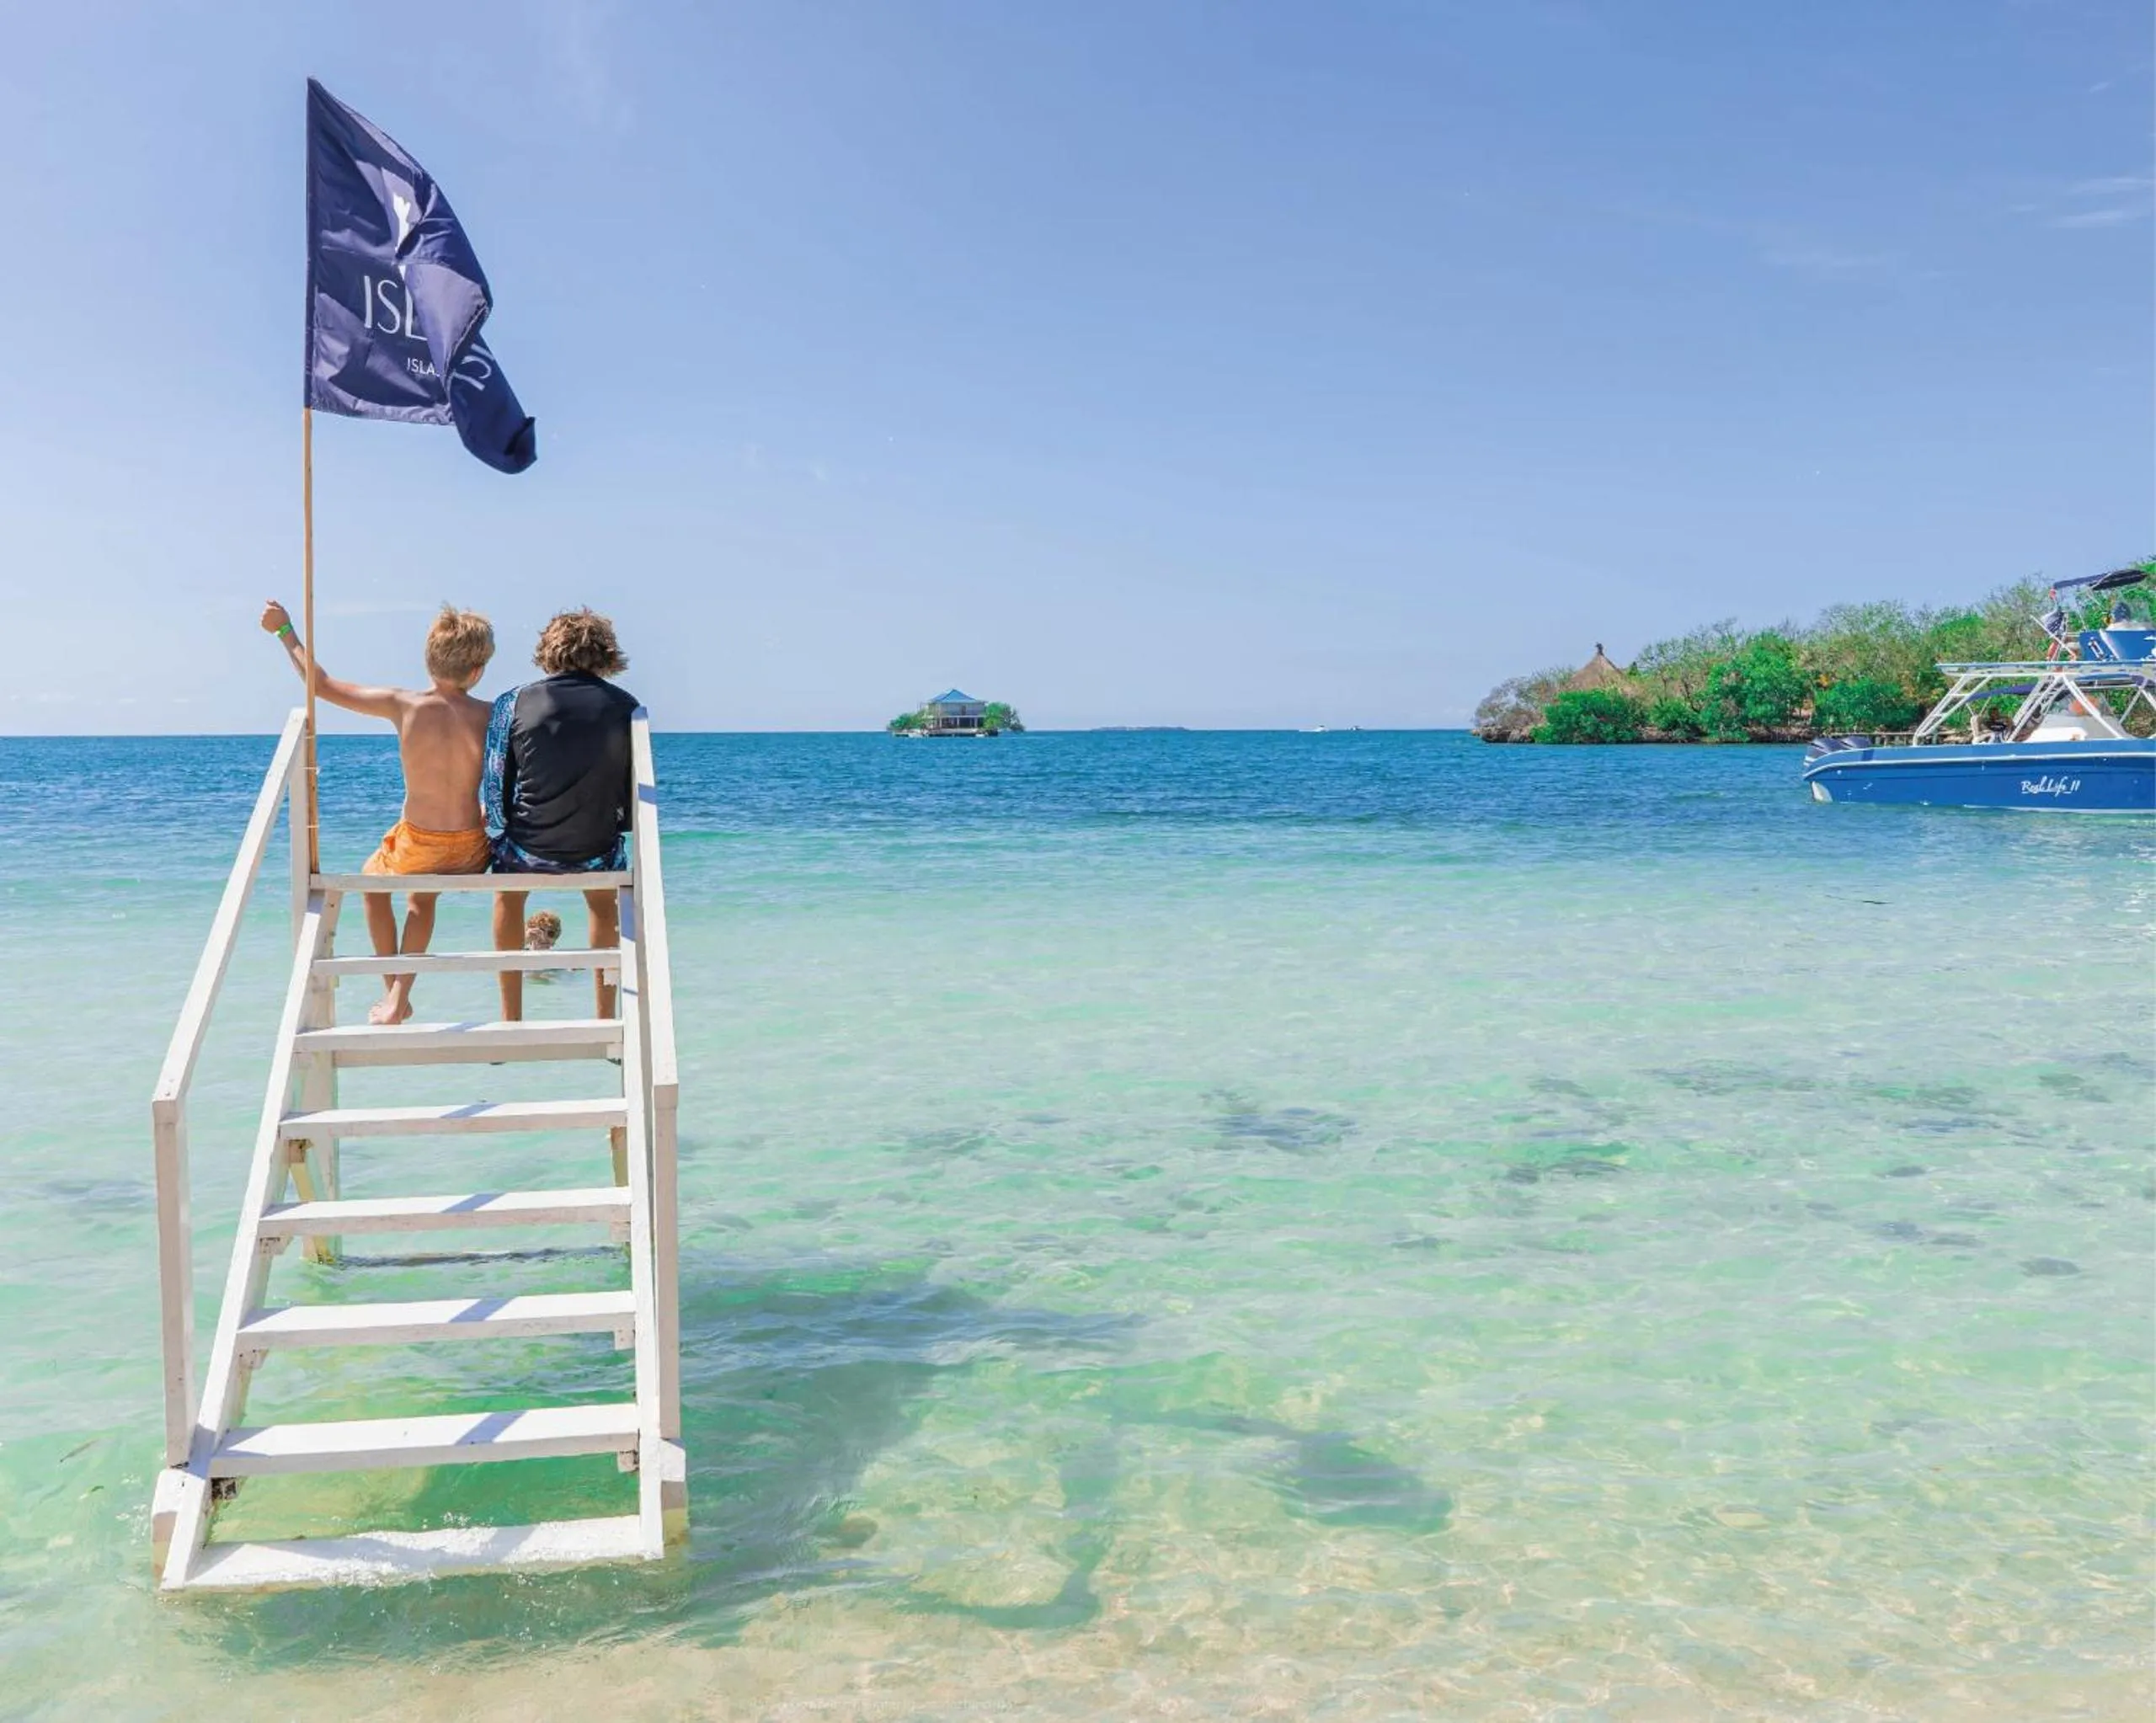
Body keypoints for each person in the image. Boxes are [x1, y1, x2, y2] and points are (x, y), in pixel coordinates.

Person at [259, 599, 495, 1024]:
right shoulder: (492, 714)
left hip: (420, 843)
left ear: (428, 660)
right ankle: (396, 998)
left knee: (375, 886)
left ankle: (395, 994)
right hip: (471, 847)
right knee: (420, 897)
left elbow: (321, 684)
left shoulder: (403, 704)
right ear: (477, 670)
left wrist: (285, 631)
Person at [484, 608, 638, 1022]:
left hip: (527, 847)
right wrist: (612, 826)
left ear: (548, 650)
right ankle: (605, 1016)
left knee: (507, 896)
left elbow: (495, 780)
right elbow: (630, 788)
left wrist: (497, 836)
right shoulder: (627, 707)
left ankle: (510, 1018)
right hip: (596, 847)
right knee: (603, 905)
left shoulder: (511, 702)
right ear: (605, 652)